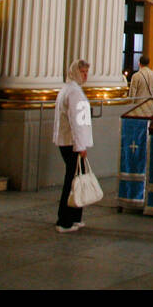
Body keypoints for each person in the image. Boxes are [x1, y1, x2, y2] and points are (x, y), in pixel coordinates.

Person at [54, 59, 93, 232]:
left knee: (77, 178)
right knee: (72, 181)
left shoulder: (69, 89)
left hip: (69, 142)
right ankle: (64, 220)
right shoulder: (74, 92)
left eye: (86, 72)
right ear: (75, 72)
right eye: (83, 72)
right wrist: (80, 146)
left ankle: (75, 217)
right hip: (72, 143)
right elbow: (76, 122)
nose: (85, 75)